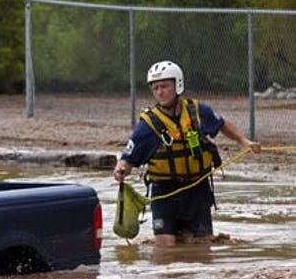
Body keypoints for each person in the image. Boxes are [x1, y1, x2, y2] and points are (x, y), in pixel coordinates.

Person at [112, 60, 262, 246]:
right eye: (156, 88)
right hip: (164, 193)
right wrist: (121, 170)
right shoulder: (147, 126)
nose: (160, 92)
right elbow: (128, 158)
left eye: (165, 86)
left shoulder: (199, 112)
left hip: (197, 190)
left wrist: (243, 141)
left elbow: (222, 124)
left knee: (201, 247)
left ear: (178, 85)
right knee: (165, 248)